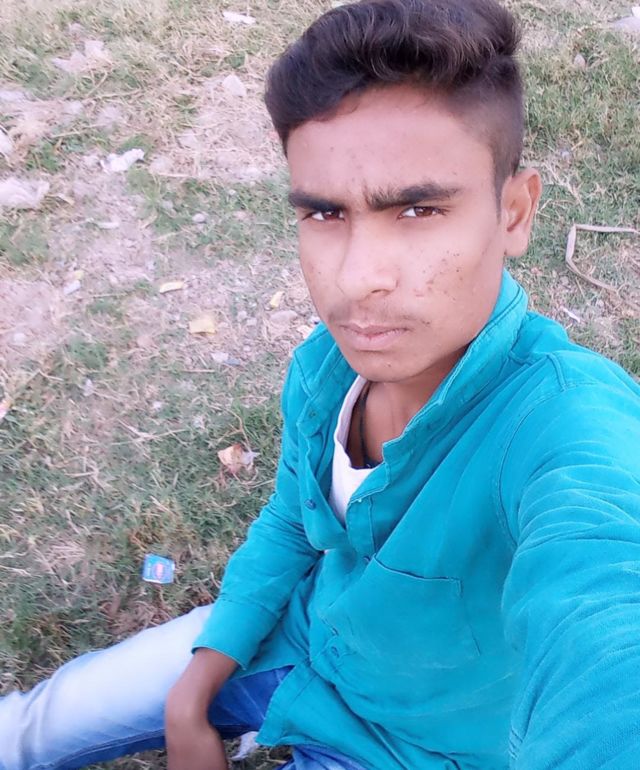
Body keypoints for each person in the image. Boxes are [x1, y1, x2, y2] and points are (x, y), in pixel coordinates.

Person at [2, 0, 640, 768]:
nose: (356, 278)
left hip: (406, 748)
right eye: (326, 213)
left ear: (514, 211)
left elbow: (608, 626)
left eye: (418, 208)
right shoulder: (327, 366)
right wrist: (192, 690)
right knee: (30, 724)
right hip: (299, 642)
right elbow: (290, 522)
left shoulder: (566, 426)